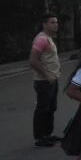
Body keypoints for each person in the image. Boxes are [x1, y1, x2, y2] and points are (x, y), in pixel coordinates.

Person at [29, 14, 61, 147]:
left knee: (51, 108)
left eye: (56, 22)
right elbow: (33, 61)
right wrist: (47, 75)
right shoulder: (41, 39)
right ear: (45, 24)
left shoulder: (49, 38)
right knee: (42, 109)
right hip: (44, 81)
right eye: (52, 22)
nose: (56, 24)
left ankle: (48, 134)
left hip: (52, 79)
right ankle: (39, 137)